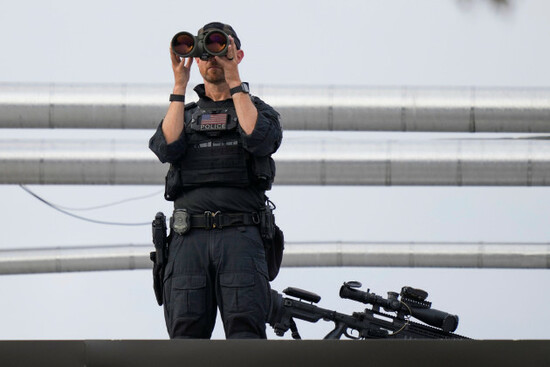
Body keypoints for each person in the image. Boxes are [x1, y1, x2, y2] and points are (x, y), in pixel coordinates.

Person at [149, 22, 282, 339]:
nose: (212, 58)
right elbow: (167, 147)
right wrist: (179, 86)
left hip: (241, 235)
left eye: (220, 48)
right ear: (195, 58)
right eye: (204, 51)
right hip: (187, 238)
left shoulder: (259, 111)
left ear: (238, 54)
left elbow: (259, 139)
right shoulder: (185, 112)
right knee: (186, 337)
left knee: (245, 334)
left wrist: (235, 81)